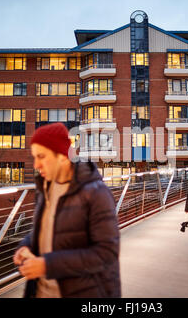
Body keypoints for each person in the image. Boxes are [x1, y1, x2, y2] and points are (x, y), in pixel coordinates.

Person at [13, 123, 121, 298]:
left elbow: (107, 253)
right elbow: (47, 230)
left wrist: (48, 265)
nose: (36, 164)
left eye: (41, 156)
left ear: (63, 156)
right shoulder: (45, 187)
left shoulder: (96, 193)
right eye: (34, 157)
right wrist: (26, 245)